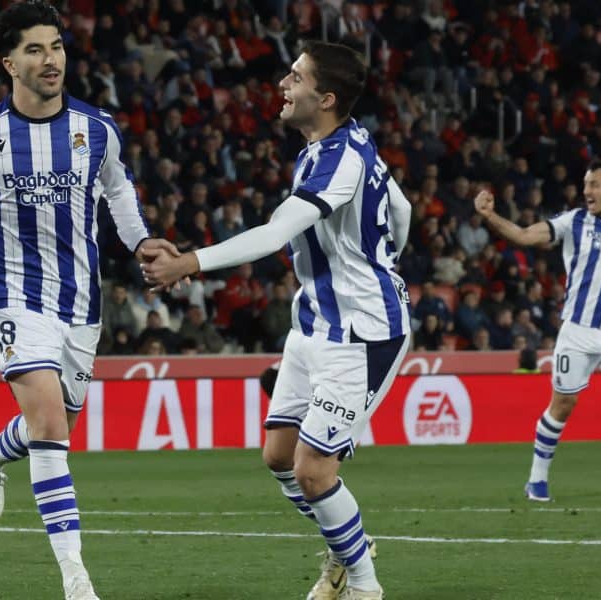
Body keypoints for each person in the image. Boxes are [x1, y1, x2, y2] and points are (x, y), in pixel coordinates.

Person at [0, 3, 175, 598]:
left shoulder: (96, 129)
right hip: (10, 294)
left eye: (55, 46)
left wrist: (141, 243)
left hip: (80, 300)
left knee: (53, 424)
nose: (50, 59)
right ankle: (76, 579)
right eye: (34, 49)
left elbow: (117, 187)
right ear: (9, 62)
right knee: (52, 424)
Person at [143, 40, 411, 600]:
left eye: (296, 77)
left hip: (362, 334)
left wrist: (189, 261)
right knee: (279, 457)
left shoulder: (340, 159)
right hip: (313, 324)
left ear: (327, 97)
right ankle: (349, 547)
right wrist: (386, 256)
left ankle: (363, 585)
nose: (283, 85)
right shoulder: (332, 145)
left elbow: (272, 235)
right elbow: (401, 209)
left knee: (315, 472)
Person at [474, 159, 601, 502]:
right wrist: (490, 216)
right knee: (563, 405)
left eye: (594, 184)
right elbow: (523, 235)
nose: (586, 191)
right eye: (585, 184)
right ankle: (537, 480)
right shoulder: (574, 222)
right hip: (576, 332)